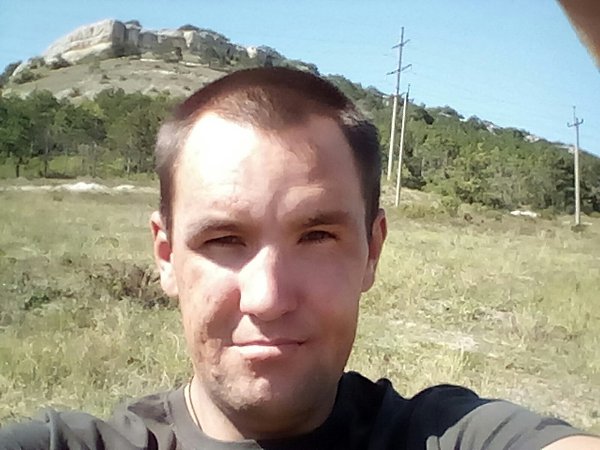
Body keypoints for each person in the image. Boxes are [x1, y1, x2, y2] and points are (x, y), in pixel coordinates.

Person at [1, 67, 598, 450]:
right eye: (223, 240)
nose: (268, 298)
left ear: (372, 251)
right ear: (165, 254)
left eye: (315, 236)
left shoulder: (448, 436)